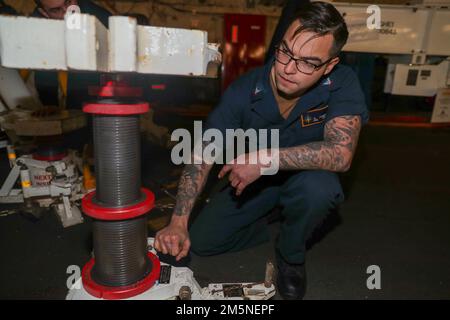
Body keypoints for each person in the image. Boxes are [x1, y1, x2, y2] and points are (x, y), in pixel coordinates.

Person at [155, 1, 369, 300]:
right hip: (254, 182)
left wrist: (265, 159)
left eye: (308, 62)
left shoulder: (342, 82)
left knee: (319, 189)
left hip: (304, 177)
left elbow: (341, 154)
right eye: (285, 51)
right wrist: (178, 222)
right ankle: (267, 217)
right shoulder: (245, 89)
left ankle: (290, 253)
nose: (288, 69)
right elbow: (203, 152)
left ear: (329, 65)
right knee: (202, 241)